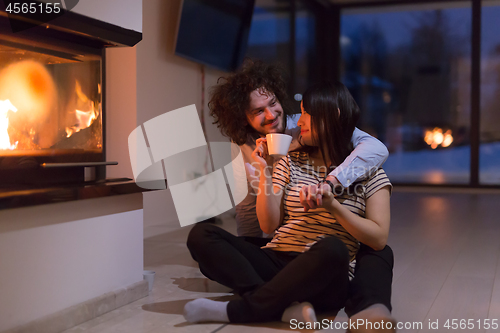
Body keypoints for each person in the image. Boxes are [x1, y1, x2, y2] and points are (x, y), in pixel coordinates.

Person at [186, 60, 395, 330]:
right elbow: (262, 224)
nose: (297, 121)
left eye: (305, 113)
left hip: (325, 267)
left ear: (333, 115)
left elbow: (375, 149)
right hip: (279, 256)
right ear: (245, 119)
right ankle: (282, 305)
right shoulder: (285, 158)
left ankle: (245, 308)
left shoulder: (364, 166)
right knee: (202, 235)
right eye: (258, 111)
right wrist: (266, 172)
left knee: (337, 249)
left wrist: (331, 196)